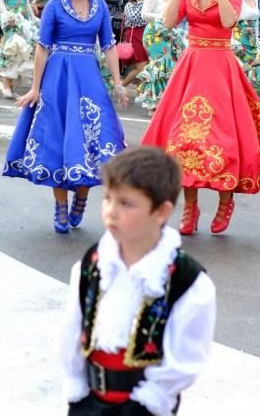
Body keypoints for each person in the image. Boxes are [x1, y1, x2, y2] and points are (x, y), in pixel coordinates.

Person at [141, 0, 260, 236]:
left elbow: (226, 22)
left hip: (221, 68)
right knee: (184, 140)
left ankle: (225, 202)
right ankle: (189, 207)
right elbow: (168, 23)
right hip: (192, 67)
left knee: (223, 139)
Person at [59, 147, 216, 416]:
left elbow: (186, 358)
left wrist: (150, 400)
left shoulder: (186, 280)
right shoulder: (93, 264)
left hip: (146, 406)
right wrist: (75, 387)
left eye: (126, 203)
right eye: (107, 198)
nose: (111, 211)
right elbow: (71, 328)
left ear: (161, 212)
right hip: (88, 401)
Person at [4, 0, 127, 234]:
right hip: (58, 79)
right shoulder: (56, 7)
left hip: (88, 79)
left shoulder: (100, 7)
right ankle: (60, 206)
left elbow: (109, 45)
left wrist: (117, 81)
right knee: (58, 140)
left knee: (90, 139)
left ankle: (81, 199)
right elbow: (43, 48)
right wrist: (35, 87)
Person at [135, 0, 184, 114]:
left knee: (168, 67)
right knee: (158, 66)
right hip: (154, 35)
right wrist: (160, 18)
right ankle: (152, 105)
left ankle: (164, 102)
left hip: (168, 34)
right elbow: (144, 15)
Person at [119, 0, 149, 87]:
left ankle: (140, 91)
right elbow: (134, 18)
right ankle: (121, 87)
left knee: (145, 66)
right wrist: (142, 2)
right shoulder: (129, 5)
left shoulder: (147, 6)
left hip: (144, 36)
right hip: (134, 36)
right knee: (141, 67)